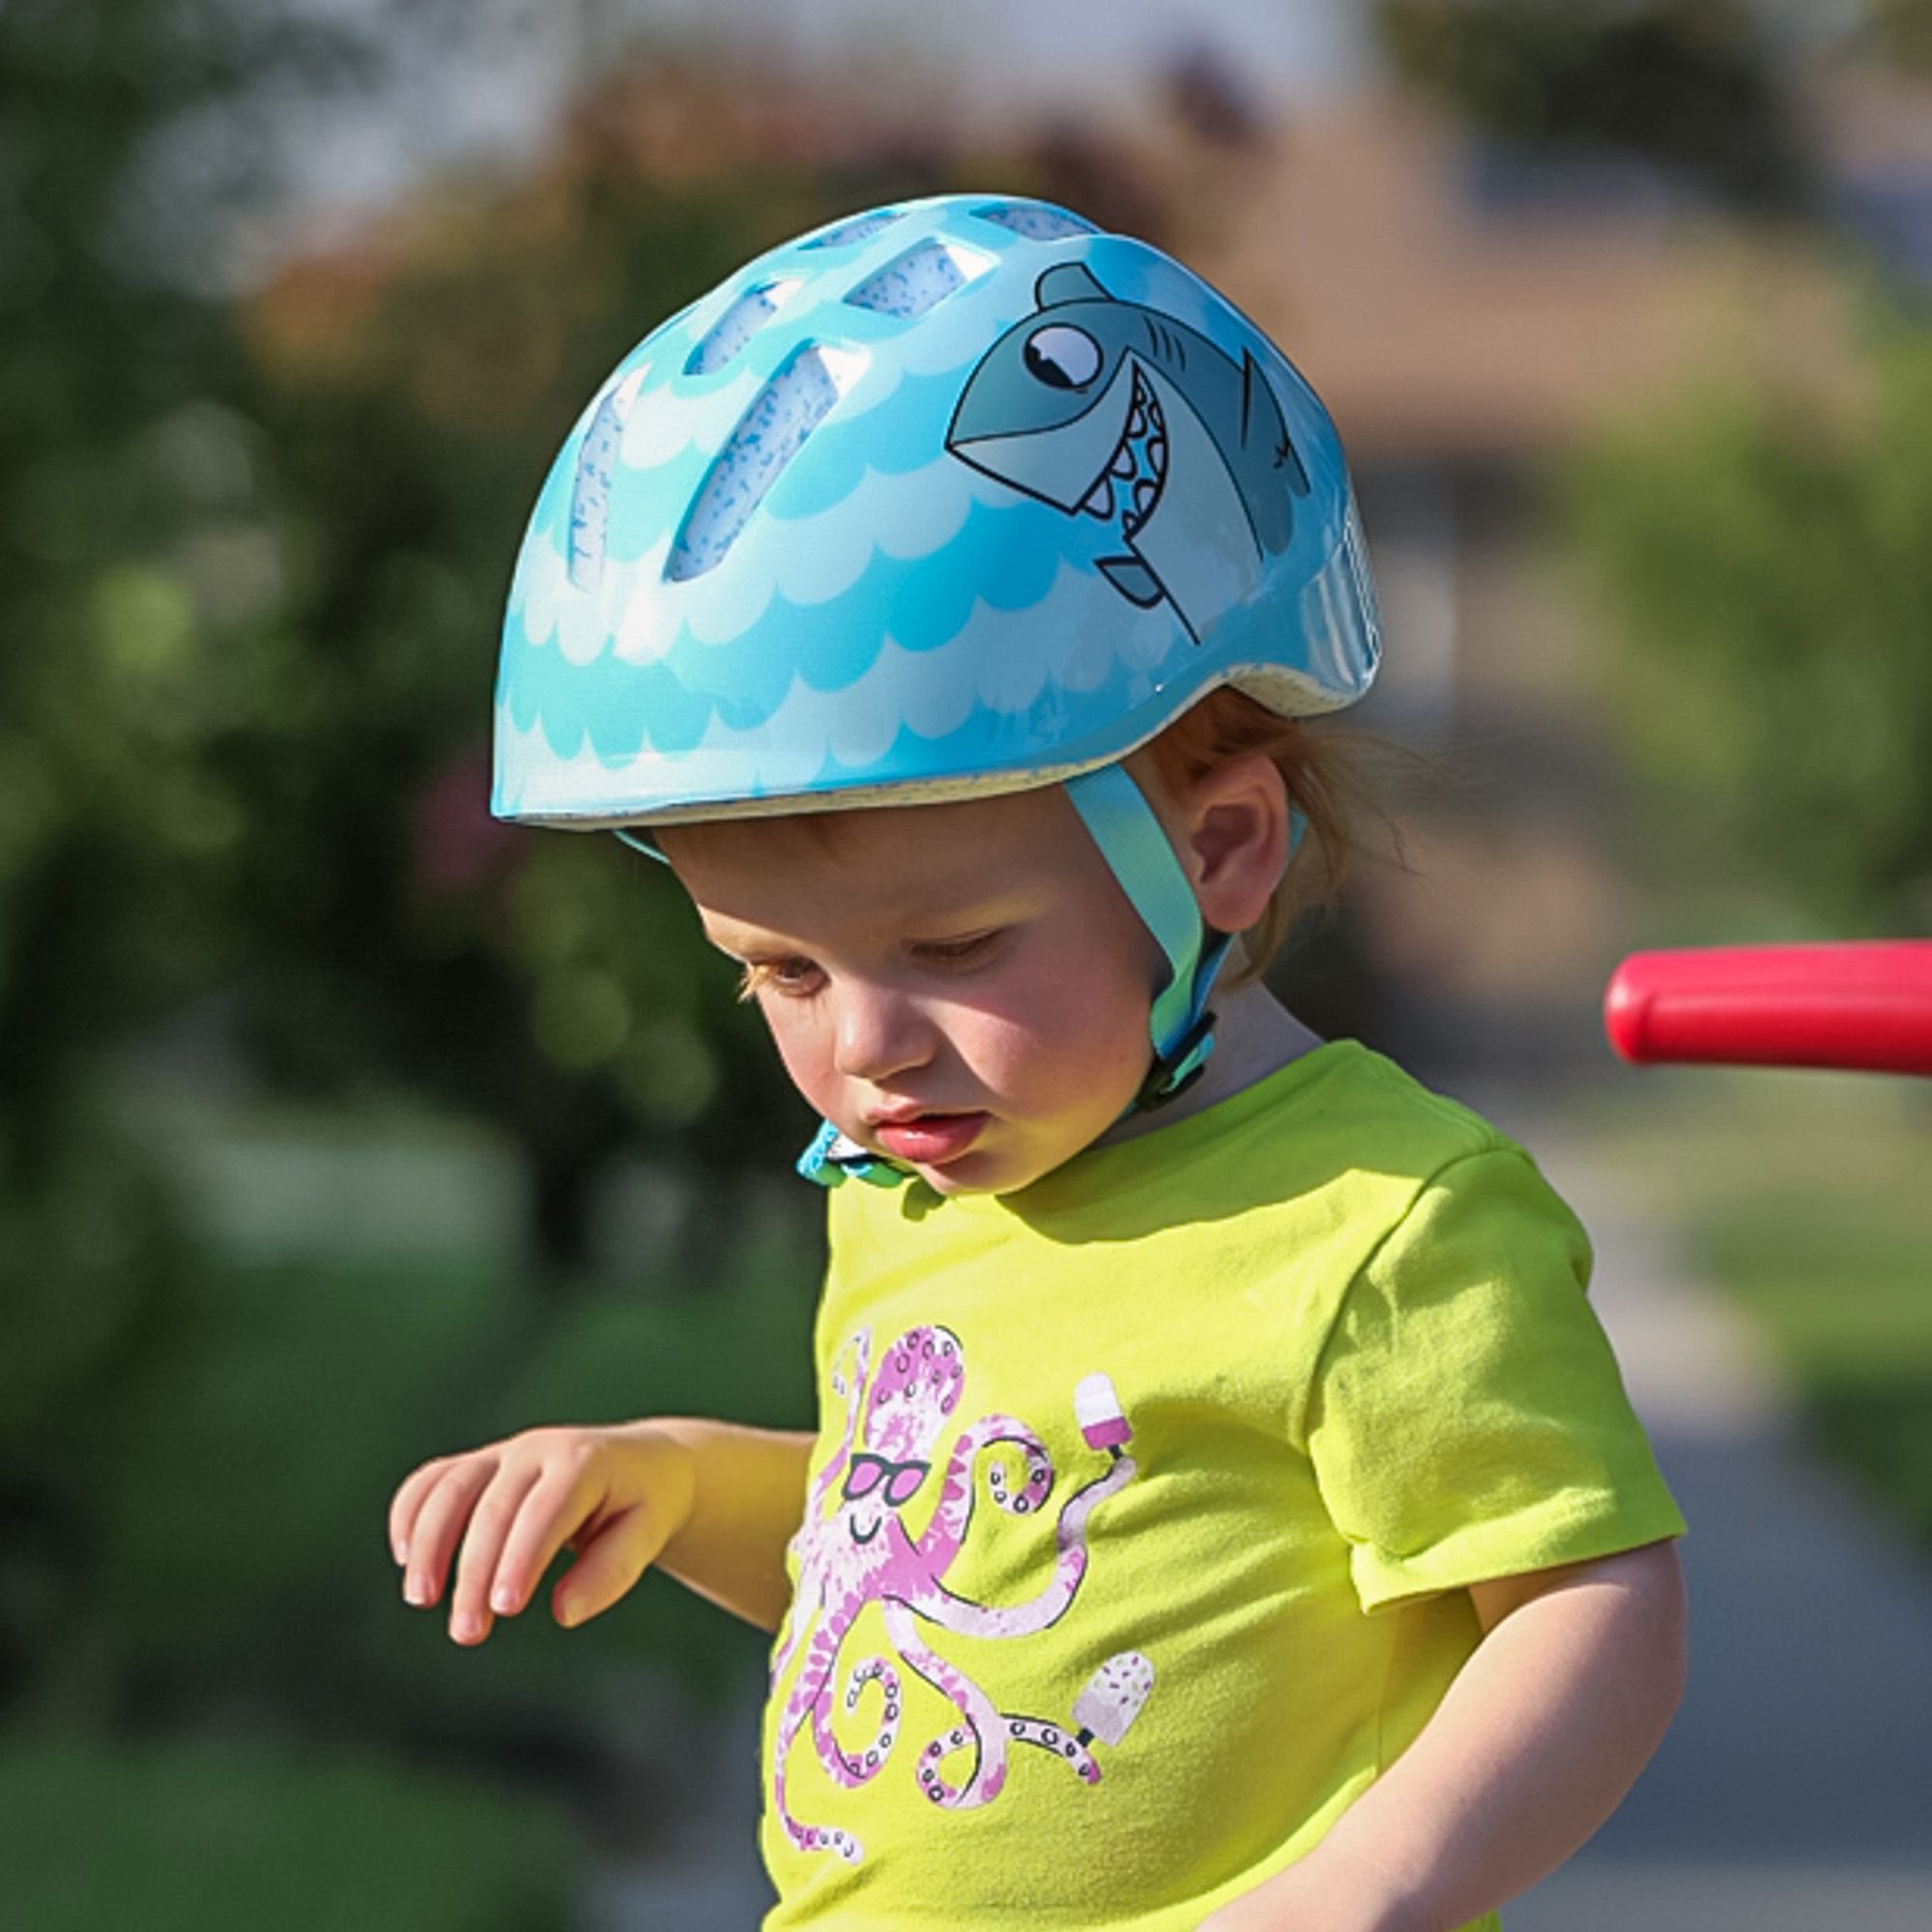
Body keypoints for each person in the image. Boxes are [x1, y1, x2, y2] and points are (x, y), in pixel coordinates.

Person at [389, 194, 1687, 1931]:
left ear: (1219, 851)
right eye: (779, 971)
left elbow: (1592, 1605)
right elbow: (930, 1576)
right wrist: (684, 1481)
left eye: (955, 950)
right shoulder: (909, 1193)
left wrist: (1371, 1886)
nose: (865, 1047)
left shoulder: (1378, 1225)